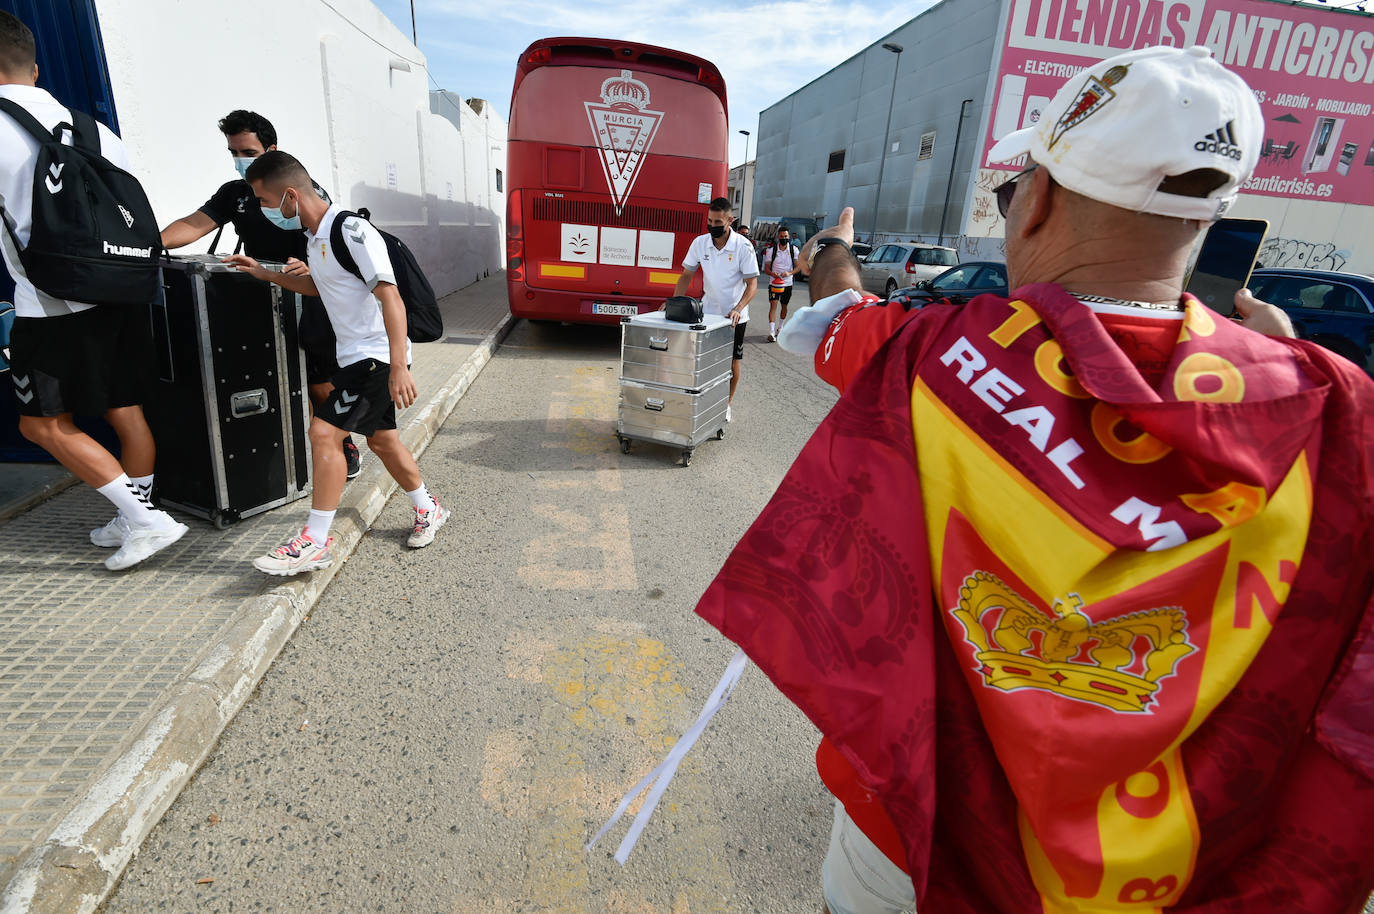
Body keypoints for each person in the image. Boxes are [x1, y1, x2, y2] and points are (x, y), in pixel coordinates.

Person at [697, 45, 1374, 912]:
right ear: (1211, 224)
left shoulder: (932, 358)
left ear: (1041, 197)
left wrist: (835, 244)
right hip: (1160, 873)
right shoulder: (1326, 406)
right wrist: (1279, 359)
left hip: (907, 829)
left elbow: (828, 315)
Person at [0, 11, 186, 571]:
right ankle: (135, 517)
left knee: (41, 424)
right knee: (125, 410)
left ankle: (149, 523)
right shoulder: (92, 128)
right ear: (33, 68)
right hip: (122, 288)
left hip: (52, 302)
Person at [224, 151, 448, 574]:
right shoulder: (316, 238)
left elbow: (390, 295)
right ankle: (428, 508)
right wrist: (266, 274)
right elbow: (319, 286)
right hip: (354, 358)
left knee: (323, 434)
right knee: (382, 441)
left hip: (376, 357)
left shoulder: (352, 230)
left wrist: (399, 365)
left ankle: (314, 541)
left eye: (266, 201)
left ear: (291, 195)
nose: (265, 211)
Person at [160, 110, 361, 479]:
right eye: (234, 153)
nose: (240, 161)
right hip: (256, 296)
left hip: (308, 295)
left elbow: (330, 243)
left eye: (248, 153)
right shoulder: (235, 194)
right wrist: (150, 246)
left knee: (318, 381)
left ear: (271, 149)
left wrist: (312, 268)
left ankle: (342, 441)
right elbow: (194, 224)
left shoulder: (300, 191)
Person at [672, 198, 758, 422]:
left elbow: (752, 285)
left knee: (731, 363)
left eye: (718, 221)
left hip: (734, 318)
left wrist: (738, 308)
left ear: (730, 220)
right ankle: (701, 401)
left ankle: (726, 404)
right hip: (707, 314)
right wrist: (674, 303)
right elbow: (686, 276)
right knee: (703, 360)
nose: (712, 225)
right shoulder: (700, 243)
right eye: (709, 220)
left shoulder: (743, 246)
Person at [763, 228, 800, 342]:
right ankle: (771, 332)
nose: (784, 238)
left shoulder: (794, 250)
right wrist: (772, 274)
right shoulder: (771, 251)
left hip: (787, 283)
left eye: (786, 236)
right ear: (778, 237)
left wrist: (789, 273)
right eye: (782, 236)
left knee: (784, 306)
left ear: (788, 237)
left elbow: (798, 267)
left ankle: (780, 327)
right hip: (774, 283)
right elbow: (766, 268)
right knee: (773, 305)